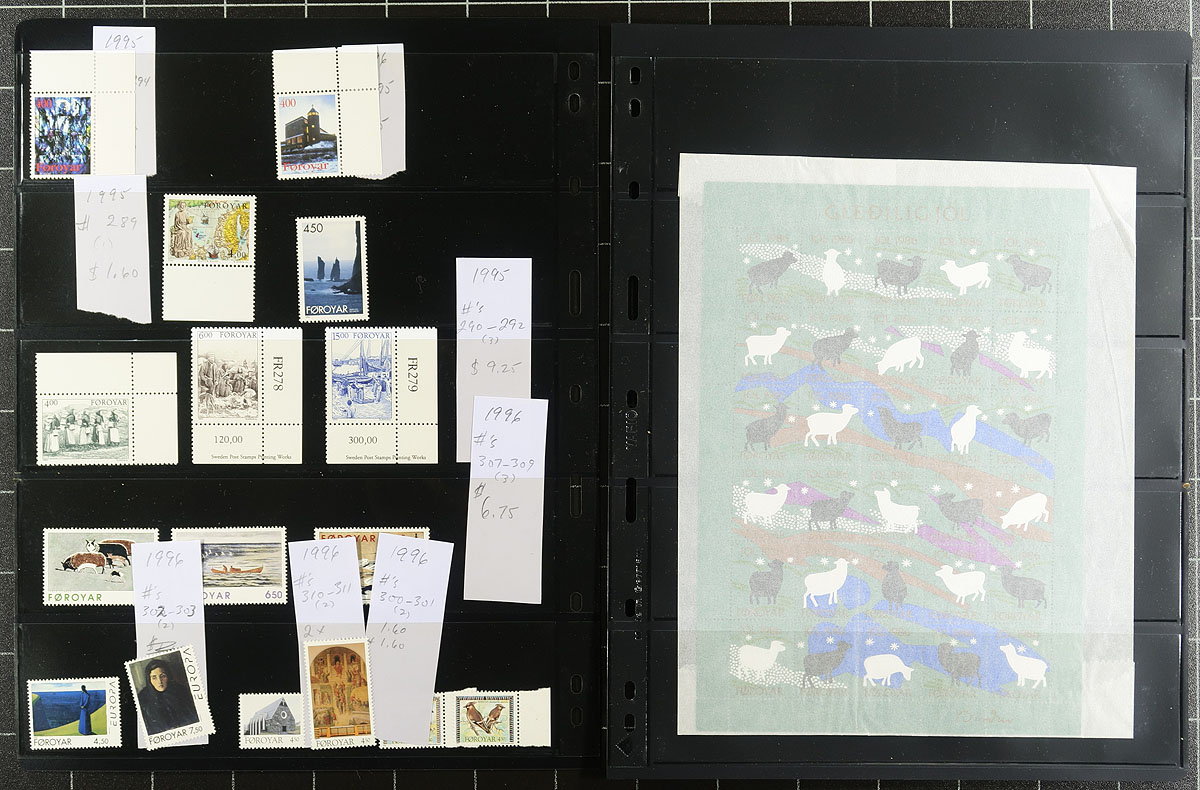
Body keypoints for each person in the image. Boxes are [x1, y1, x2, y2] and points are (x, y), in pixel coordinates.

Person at [136, 659, 199, 735]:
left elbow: (192, 718)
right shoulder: (142, 698)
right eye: (154, 677)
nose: (159, 681)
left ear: (168, 676)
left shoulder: (181, 691)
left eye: (162, 676)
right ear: (149, 680)